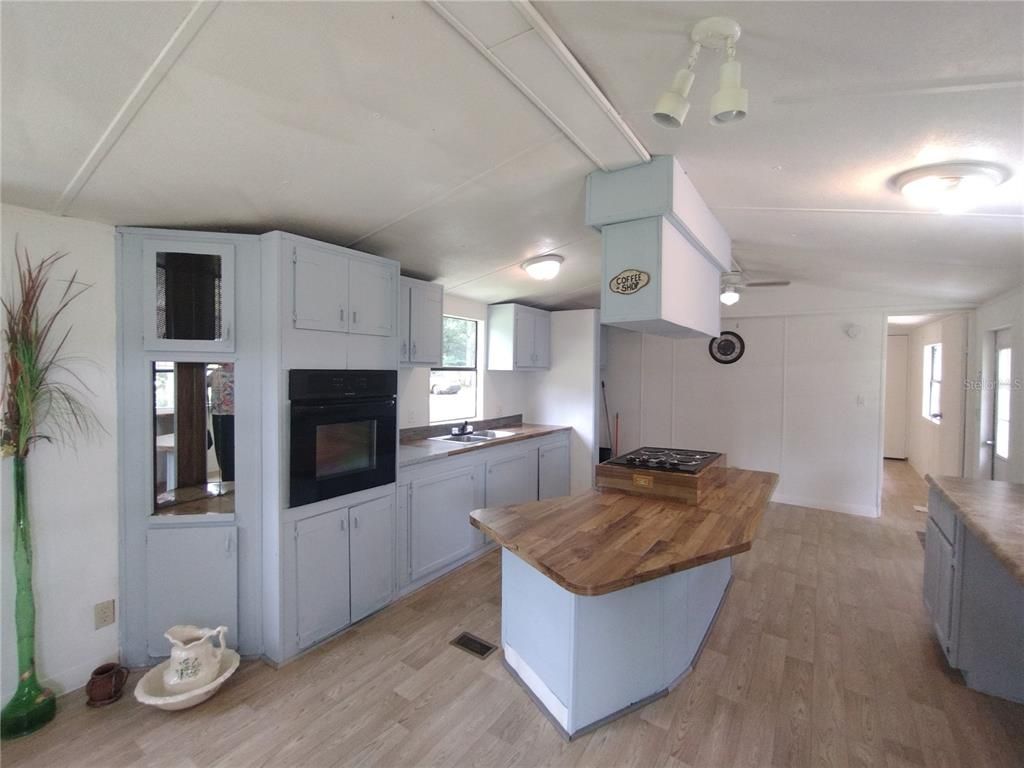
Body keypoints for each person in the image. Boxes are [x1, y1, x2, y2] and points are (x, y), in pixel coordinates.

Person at [208, 363, 234, 482]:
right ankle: (227, 480)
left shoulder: (243, 370)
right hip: (218, 415)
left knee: (233, 449)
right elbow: (200, 383)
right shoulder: (215, 373)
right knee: (221, 450)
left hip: (237, 416)